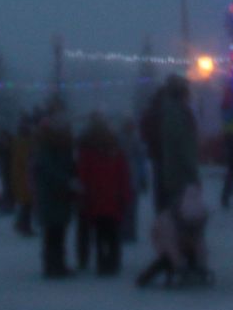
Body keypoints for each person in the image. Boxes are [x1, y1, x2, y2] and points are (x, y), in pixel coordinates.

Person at [75, 115, 132, 276]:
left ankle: (101, 262)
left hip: (95, 200)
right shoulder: (116, 153)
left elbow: (83, 176)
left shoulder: (87, 152)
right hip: (113, 199)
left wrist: (82, 196)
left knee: (99, 235)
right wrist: (125, 196)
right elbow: (124, 176)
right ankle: (113, 261)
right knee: (113, 233)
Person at [135, 182, 211, 288]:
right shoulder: (167, 222)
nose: (193, 228)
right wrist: (179, 266)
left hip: (180, 237)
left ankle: (193, 271)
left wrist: (202, 265)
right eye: (191, 226)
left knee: (192, 251)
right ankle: (144, 277)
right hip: (161, 237)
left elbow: (200, 244)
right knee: (167, 259)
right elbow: (171, 247)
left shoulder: (197, 218)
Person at [33, 116, 77, 278]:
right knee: (52, 232)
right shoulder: (45, 148)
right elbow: (48, 170)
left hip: (60, 195)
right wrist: (68, 181)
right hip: (51, 195)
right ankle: (52, 265)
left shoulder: (63, 147)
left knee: (59, 232)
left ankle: (58, 264)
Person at [153, 76, 201, 216]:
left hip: (175, 174)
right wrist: (193, 174)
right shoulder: (177, 114)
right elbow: (183, 147)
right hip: (180, 175)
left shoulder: (171, 111)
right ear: (182, 93)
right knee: (182, 217)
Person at [117, 116, 149, 244]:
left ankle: (123, 232)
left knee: (123, 206)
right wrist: (144, 179)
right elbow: (142, 161)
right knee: (132, 207)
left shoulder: (118, 140)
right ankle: (130, 233)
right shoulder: (137, 141)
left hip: (121, 177)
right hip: (133, 176)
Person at [10, 118, 37, 236]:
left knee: (25, 203)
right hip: (26, 177)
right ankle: (25, 227)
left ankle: (21, 224)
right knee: (27, 203)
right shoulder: (25, 144)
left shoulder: (17, 143)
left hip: (20, 176)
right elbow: (27, 161)